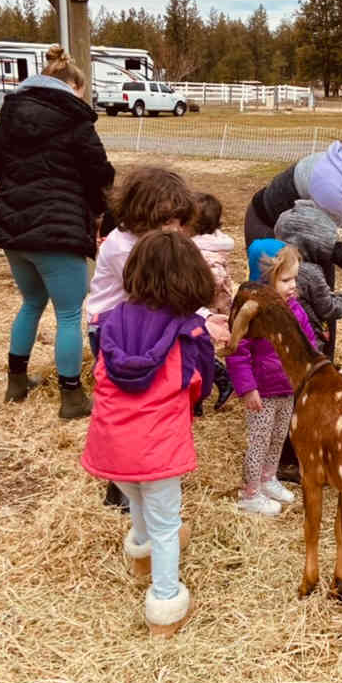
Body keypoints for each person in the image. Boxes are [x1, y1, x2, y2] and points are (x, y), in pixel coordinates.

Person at [81, 230, 215, 637]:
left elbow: (101, 374)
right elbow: (199, 384)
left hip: (112, 442)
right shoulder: (187, 331)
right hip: (158, 446)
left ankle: (140, 554)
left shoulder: (109, 321)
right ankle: (165, 602)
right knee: (165, 523)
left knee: (135, 496)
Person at [0, 44, 114, 419]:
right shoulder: (74, 117)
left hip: (14, 229)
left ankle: (16, 382)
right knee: (70, 313)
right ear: (73, 86)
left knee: (31, 303)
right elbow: (99, 173)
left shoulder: (9, 111)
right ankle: (72, 397)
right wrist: (96, 209)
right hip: (59, 229)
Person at [226, 244, 317, 516]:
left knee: (278, 437)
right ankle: (250, 493)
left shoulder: (295, 309)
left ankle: (268, 479)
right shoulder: (251, 314)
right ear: (266, 280)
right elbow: (237, 354)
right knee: (259, 440)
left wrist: (308, 371)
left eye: (294, 279)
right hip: (262, 391)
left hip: (287, 386)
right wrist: (247, 388)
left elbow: (307, 340)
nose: (293, 286)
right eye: (285, 279)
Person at [244, 140, 342, 277]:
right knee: (282, 288)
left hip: (308, 233)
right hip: (267, 224)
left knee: (321, 291)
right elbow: (331, 247)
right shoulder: (332, 188)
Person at [86, 166, 196, 359]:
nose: (177, 229)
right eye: (169, 221)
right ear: (143, 215)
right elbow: (156, 292)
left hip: (140, 322)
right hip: (110, 326)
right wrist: (200, 318)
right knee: (123, 382)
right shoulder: (122, 248)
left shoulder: (156, 241)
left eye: (179, 221)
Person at [275, 200, 342, 352]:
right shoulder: (310, 273)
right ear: (312, 242)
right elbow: (328, 308)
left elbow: (317, 298)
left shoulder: (275, 266)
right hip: (310, 345)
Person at [190, 192, 235, 412]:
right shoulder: (214, 244)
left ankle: (209, 389)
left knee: (199, 350)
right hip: (211, 306)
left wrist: (198, 291)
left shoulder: (203, 252)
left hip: (207, 308)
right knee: (199, 349)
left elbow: (214, 278)